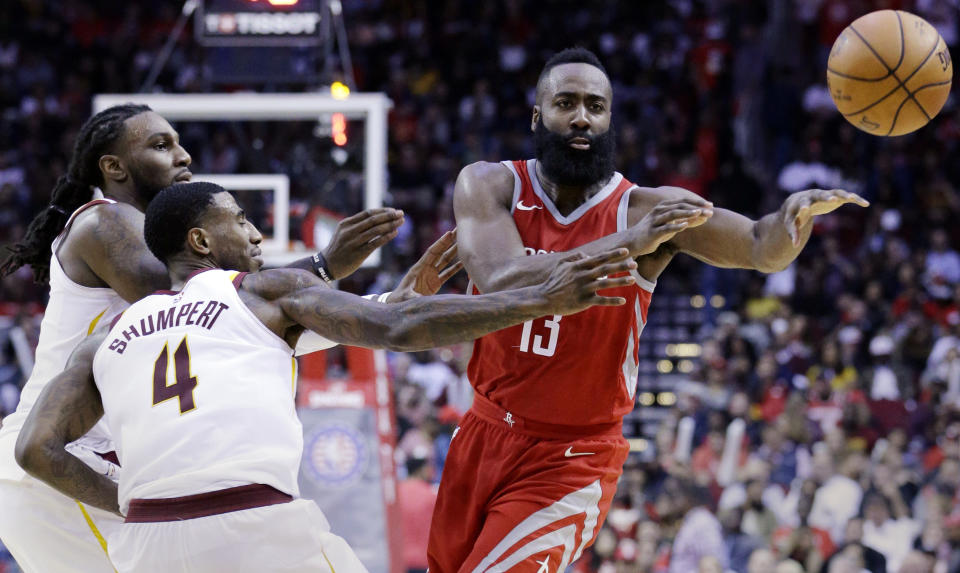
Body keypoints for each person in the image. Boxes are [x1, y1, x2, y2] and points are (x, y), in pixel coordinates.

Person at [14, 181, 639, 573]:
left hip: (146, 544)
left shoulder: (105, 340)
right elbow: (395, 332)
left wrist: (125, 499)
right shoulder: (264, 290)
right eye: (239, 219)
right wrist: (542, 300)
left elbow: (35, 449)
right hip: (252, 526)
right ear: (201, 240)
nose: (256, 232)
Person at [431, 47, 869, 571]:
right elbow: (496, 278)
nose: (581, 117)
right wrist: (628, 245)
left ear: (610, 119)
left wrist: (791, 222)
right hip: (482, 433)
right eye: (565, 103)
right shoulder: (489, 184)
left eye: (596, 106)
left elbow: (757, 243)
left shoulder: (646, 209)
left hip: (570, 458)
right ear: (537, 116)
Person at [0, 104, 458, 573]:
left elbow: (247, 316)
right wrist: (323, 267)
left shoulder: (175, 274)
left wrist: (382, 305)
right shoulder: (105, 221)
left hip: (91, 462)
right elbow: (230, 305)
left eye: (178, 142)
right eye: (161, 146)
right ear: (113, 167)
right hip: (60, 466)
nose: (183, 156)